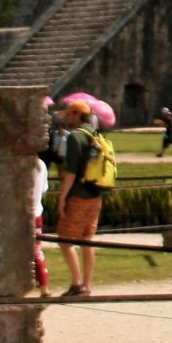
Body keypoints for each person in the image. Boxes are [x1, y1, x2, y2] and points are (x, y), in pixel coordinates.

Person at [53, 100, 104, 297]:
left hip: (78, 194)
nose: (66, 117)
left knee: (64, 240)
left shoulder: (75, 137)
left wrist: (62, 197)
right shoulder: (96, 133)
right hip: (95, 193)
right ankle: (87, 284)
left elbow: (71, 172)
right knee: (87, 239)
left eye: (68, 114)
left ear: (76, 114)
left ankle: (76, 283)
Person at [29, 151, 50, 296]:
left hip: (27, 215)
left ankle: (44, 285)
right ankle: (43, 286)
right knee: (36, 251)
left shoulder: (24, 167)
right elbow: (44, 189)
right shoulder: (41, 164)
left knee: (34, 252)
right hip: (37, 213)